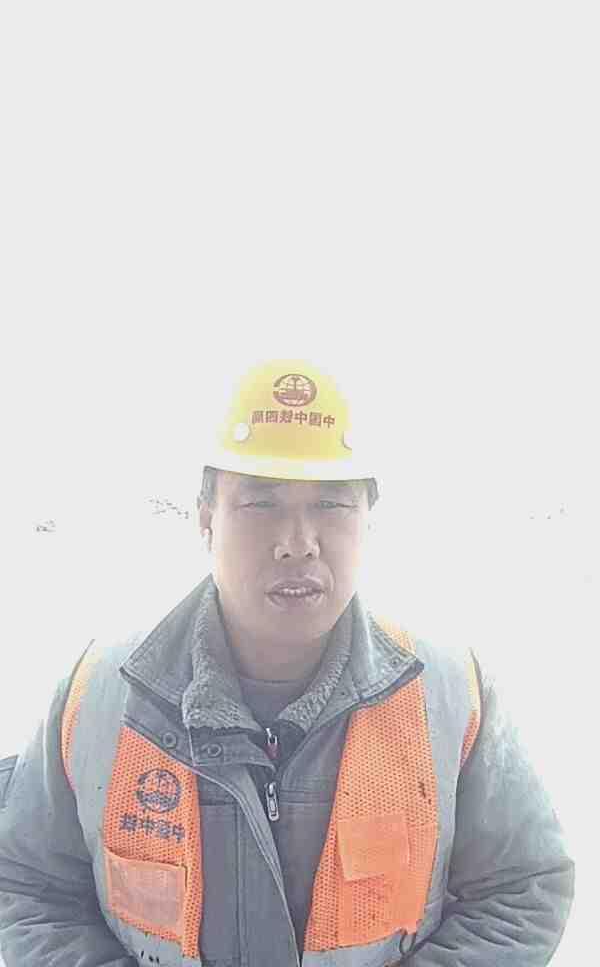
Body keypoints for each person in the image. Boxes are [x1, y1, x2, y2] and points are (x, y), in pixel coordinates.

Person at [0, 359, 574, 966]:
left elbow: (522, 888)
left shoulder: (449, 693)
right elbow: (27, 886)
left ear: (368, 520)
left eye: (330, 504)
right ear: (206, 518)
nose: (297, 543)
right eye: (261, 503)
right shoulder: (99, 696)